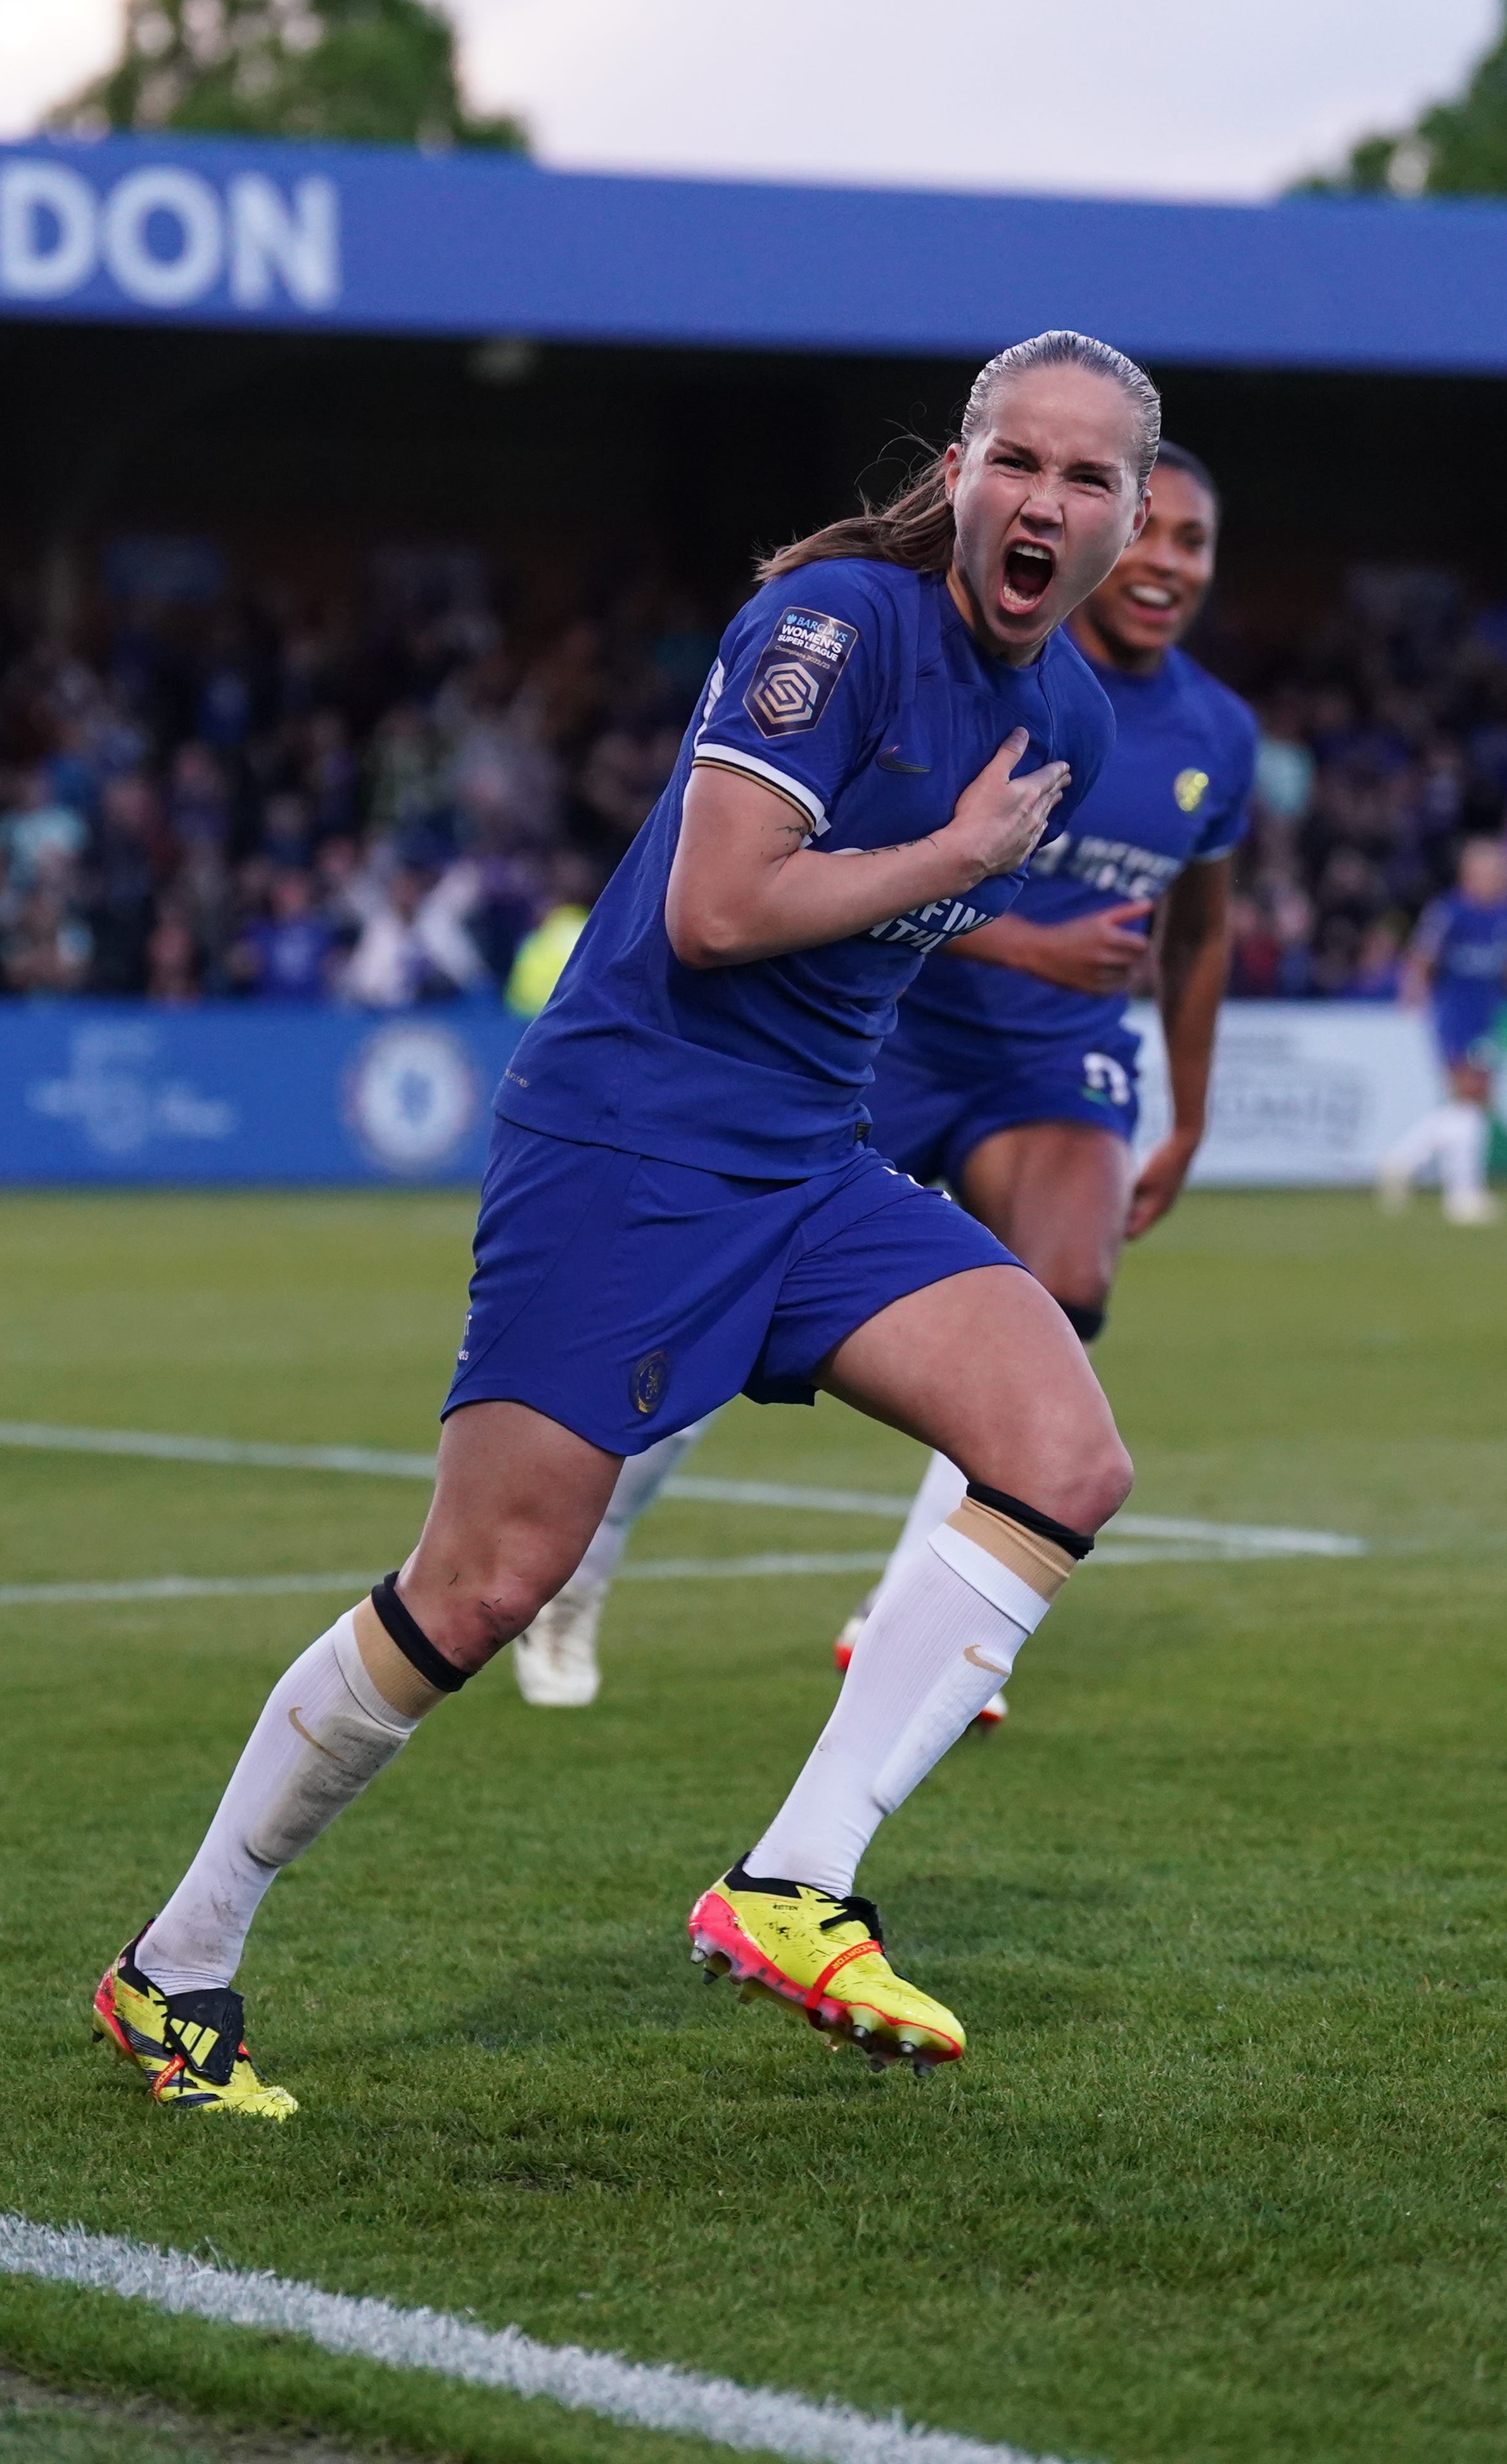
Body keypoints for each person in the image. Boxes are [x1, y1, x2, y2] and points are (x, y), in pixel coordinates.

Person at [91, 331, 1155, 2117]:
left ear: (1128, 518)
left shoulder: (1075, 718)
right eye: (1019, 462)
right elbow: (726, 908)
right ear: (960, 472)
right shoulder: (833, 628)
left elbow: (891, 928)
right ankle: (174, 1969)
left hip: (811, 1167)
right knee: (486, 1583)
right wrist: (953, 867)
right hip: (631, 1145)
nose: (1048, 500)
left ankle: (794, 1882)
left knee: (1065, 1448)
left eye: (1089, 477)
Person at [506, 445, 1256, 1720]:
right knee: (706, 1322)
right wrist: (1028, 940)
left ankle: (908, 1616)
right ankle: (578, 1570)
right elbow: (859, 870)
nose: (1172, 563)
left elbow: (1200, 936)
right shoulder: (962, 665)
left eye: (1198, 542)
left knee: (1065, 1283)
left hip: (1048, 1059)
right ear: (1100, 536)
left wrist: (1190, 1111)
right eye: (1158, 532)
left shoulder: (1213, 735)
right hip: (887, 1027)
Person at [1373, 834, 1507, 1225]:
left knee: (1472, 1103)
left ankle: (1402, 1162)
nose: (1497, 877)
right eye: (1488, 870)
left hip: (1488, 1014)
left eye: (1500, 870)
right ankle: (1462, 1196)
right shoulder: (1450, 911)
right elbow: (1422, 958)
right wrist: (1414, 1000)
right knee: (1469, 1096)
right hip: (1454, 1014)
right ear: (1469, 874)